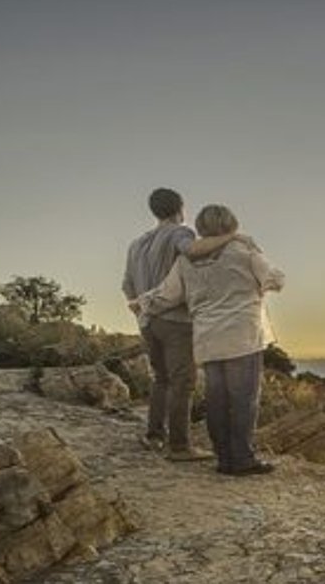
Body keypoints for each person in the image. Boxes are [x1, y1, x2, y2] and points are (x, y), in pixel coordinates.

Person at [131, 204, 284, 476]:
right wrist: (256, 287)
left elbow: (167, 295)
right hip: (242, 337)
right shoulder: (244, 251)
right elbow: (275, 279)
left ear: (201, 229)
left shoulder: (184, 262)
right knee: (243, 400)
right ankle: (242, 459)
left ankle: (223, 458)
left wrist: (142, 304)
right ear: (231, 225)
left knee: (217, 399)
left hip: (206, 339)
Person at [121, 188, 229, 461]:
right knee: (183, 381)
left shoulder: (136, 244)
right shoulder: (180, 233)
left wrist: (142, 313)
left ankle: (154, 435)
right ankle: (180, 447)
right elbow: (192, 251)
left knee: (161, 379)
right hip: (176, 321)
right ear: (180, 208)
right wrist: (230, 236)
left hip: (147, 322)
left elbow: (126, 286)